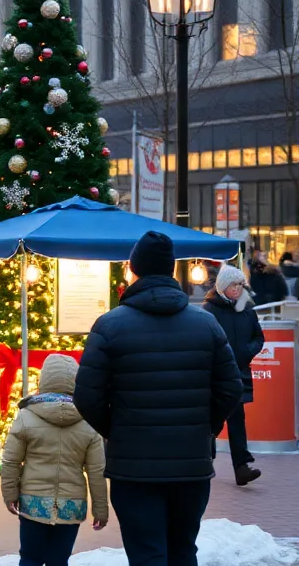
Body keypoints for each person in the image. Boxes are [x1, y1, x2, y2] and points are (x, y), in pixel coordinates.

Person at [74, 231, 242, 566]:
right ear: (171, 270)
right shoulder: (206, 324)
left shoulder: (109, 326)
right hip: (191, 463)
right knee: (183, 550)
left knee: (146, 553)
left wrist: (117, 429)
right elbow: (230, 388)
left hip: (133, 466)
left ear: (133, 270)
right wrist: (205, 426)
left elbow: (87, 397)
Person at [1, 354, 109, 566]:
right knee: (59, 560)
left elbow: (11, 462)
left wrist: (10, 494)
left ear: (44, 380)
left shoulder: (26, 416)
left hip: (33, 503)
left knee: (30, 558)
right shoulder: (89, 420)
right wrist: (100, 509)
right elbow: (96, 471)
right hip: (71, 506)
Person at [204, 264, 265, 486]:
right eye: (233, 285)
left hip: (238, 371)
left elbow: (259, 337)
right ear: (222, 286)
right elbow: (204, 341)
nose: (237, 289)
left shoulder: (246, 308)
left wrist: (248, 351)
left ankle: (242, 466)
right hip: (216, 374)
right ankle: (206, 461)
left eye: (240, 284)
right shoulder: (209, 310)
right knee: (212, 420)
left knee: (237, 418)